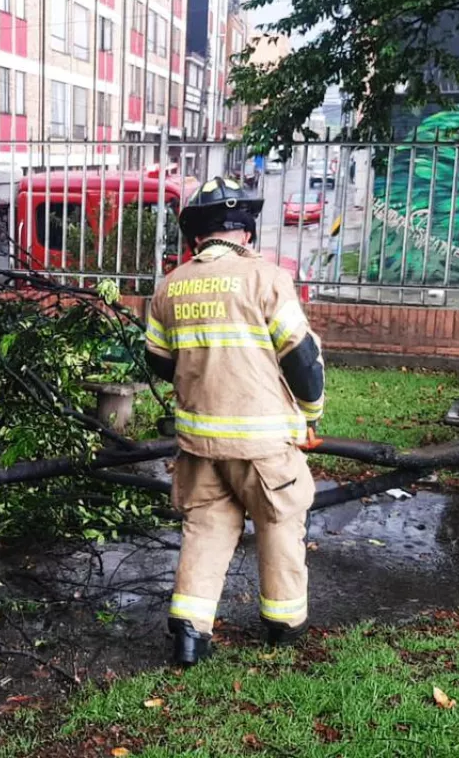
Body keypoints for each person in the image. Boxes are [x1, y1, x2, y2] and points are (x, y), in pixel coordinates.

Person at [144, 177, 326, 666]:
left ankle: (189, 634)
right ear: (245, 231)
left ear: (196, 234)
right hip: (263, 444)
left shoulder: (171, 285)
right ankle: (283, 626)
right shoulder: (267, 278)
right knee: (279, 522)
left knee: (206, 528)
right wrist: (311, 414)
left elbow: (157, 361)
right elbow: (302, 359)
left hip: (199, 443)